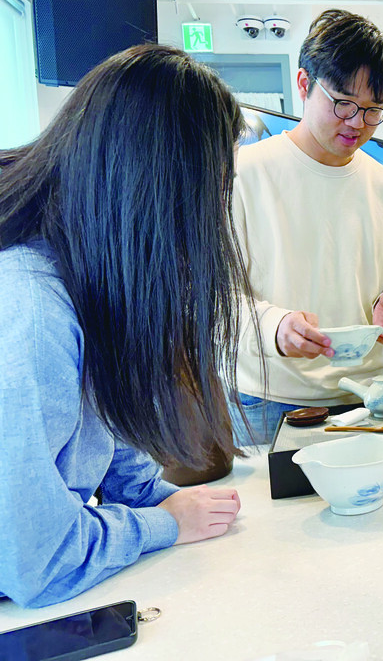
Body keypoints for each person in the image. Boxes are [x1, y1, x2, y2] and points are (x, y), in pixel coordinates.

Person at [0, 45, 244, 608]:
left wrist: (159, 499)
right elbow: (36, 561)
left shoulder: (82, 280)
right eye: (209, 195)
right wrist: (164, 524)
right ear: (156, 193)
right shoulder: (32, 313)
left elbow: (109, 440)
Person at [232, 9, 383, 444]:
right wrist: (275, 328)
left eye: (373, 110)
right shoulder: (243, 174)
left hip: (374, 399)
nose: (357, 123)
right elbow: (212, 299)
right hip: (270, 400)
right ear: (304, 84)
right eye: (342, 103)